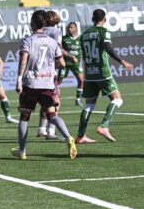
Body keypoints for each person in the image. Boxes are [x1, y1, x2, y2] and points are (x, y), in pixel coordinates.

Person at [12, 10, 77, 160]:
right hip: (47, 83)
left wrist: (19, 79)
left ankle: (22, 151)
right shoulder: (52, 41)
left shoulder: (28, 40)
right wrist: (49, 69)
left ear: (33, 24)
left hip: (31, 84)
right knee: (52, 115)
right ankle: (68, 137)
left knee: (24, 117)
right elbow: (61, 63)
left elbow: (23, 61)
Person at [75, 9, 134, 143]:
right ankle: (104, 126)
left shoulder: (84, 34)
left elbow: (84, 55)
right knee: (117, 99)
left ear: (92, 19)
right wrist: (122, 61)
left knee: (89, 104)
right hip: (102, 72)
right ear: (105, 19)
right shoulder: (104, 31)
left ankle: (80, 136)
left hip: (89, 73)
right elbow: (108, 47)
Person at [59, 21, 85, 107]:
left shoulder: (80, 39)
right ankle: (53, 97)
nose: (69, 29)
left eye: (71, 27)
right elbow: (60, 50)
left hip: (76, 63)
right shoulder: (64, 39)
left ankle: (78, 99)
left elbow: (84, 50)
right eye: (68, 28)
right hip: (65, 63)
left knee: (81, 80)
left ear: (75, 28)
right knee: (58, 81)